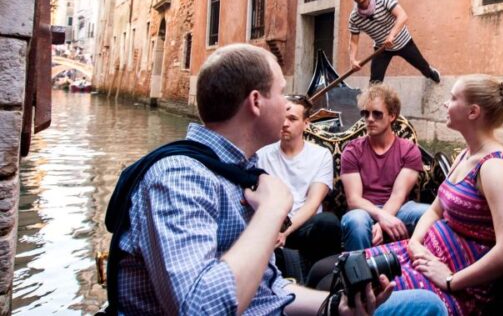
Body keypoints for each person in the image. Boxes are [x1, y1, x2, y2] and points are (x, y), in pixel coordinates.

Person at [115, 43, 446, 315]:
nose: (289, 106)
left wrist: (335, 307)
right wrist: (273, 210)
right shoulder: (180, 178)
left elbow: (268, 290)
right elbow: (202, 310)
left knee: (426, 303)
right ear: (257, 102)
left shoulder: (240, 168)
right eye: (282, 94)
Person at [366, 75, 503, 316]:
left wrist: (451, 279)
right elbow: (435, 209)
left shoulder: (493, 168)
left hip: (456, 287)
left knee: (352, 290)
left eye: (453, 98)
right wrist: (414, 242)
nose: (446, 104)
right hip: (422, 257)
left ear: (473, 112)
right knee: (335, 272)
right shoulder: (465, 155)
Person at [257, 94, 341, 273]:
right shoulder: (261, 155)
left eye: (292, 119)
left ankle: (321, 277)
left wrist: (285, 232)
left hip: (305, 228)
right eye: (282, 118)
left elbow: (313, 203)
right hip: (272, 226)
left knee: (328, 222)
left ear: (306, 123)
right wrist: (274, 229)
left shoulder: (321, 155)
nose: (285, 123)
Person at [341, 83, 429, 251]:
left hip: (400, 208)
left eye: (377, 114)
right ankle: (359, 274)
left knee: (429, 214)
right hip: (363, 211)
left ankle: (419, 272)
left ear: (392, 116)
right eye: (365, 114)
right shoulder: (352, 150)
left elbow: (398, 195)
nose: (370, 119)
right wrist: (381, 217)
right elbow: (354, 200)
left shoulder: (408, 149)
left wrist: (382, 223)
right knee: (356, 221)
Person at [347, 0, 440, 84]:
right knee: (374, 83)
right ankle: (373, 99)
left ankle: (431, 73)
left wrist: (391, 35)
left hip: (403, 42)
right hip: (382, 49)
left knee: (424, 68)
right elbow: (353, 41)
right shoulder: (354, 17)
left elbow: (403, 16)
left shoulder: (383, 0)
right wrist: (352, 60)